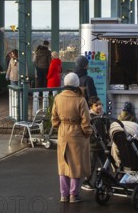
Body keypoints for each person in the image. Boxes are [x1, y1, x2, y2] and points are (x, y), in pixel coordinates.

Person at [51, 72, 92, 204]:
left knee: (63, 164)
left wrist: (60, 126)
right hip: (77, 134)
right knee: (76, 165)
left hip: (63, 132)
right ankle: (74, 195)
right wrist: (88, 133)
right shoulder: (80, 100)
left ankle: (63, 194)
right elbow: (86, 122)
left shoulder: (58, 98)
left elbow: (54, 119)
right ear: (76, 84)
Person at [82, 96, 106, 191]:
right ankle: (86, 181)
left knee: (106, 164)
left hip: (102, 145)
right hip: (92, 146)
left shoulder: (102, 115)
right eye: (96, 105)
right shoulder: (89, 117)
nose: (99, 107)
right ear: (91, 107)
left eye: (100, 104)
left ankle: (105, 180)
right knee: (91, 165)